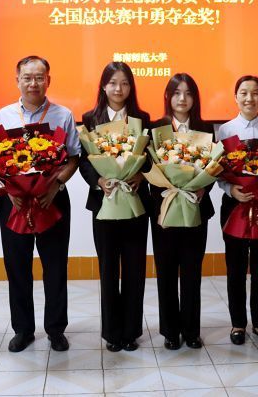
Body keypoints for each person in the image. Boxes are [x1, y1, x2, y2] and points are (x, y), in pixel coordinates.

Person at [0, 56, 80, 353]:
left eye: (39, 77)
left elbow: (73, 157)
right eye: (27, 77)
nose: (33, 83)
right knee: (17, 268)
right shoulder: (3, 115)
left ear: (48, 80)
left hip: (52, 200)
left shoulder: (63, 115)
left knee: (55, 267)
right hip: (15, 203)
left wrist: (56, 184)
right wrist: (9, 188)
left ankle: (56, 329)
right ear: (17, 80)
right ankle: (23, 329)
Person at [79, 61, 151, 352]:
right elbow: (83, 160)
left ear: (131, 86)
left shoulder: (143, 118)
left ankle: (131, 331)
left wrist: (139, 174)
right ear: (104, 86)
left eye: (124, 83)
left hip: (135, 203)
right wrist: (99, 180)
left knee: (134, 268)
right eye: (113, 83)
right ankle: (111, 333)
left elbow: (154, 158)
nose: (118, 89)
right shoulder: (90, 118)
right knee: (108, 269)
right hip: (104, 203)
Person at [150, 73, 214, 350]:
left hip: (195, 208)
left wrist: (203, 189)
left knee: (192, 271)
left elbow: (213, 169)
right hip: (164, 208)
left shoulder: (206, 128)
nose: (182, 98)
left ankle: (191, 330)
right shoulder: (157, 129)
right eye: (177, 93)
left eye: (188, 93)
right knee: (166, 270)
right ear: (168, 97)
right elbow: (148, 170)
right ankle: (170, 331)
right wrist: (167, 190)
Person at [217, 75, 258, 346]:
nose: (249, 98)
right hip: (235, 205)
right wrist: (231, 190)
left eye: (255, 93)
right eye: (243, 92)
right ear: (235, 97)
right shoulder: (224, 131)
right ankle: (237, 324)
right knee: (235, 268)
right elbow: (217, 171)